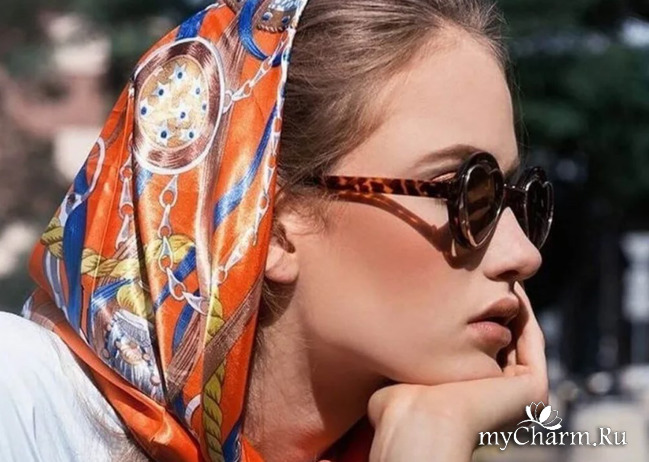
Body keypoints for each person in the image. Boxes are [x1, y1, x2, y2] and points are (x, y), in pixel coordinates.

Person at [0, 0, 554, 461]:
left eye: (519, 198)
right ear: (277, 221)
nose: (523, 254)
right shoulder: (19, 403)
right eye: (466, 192)